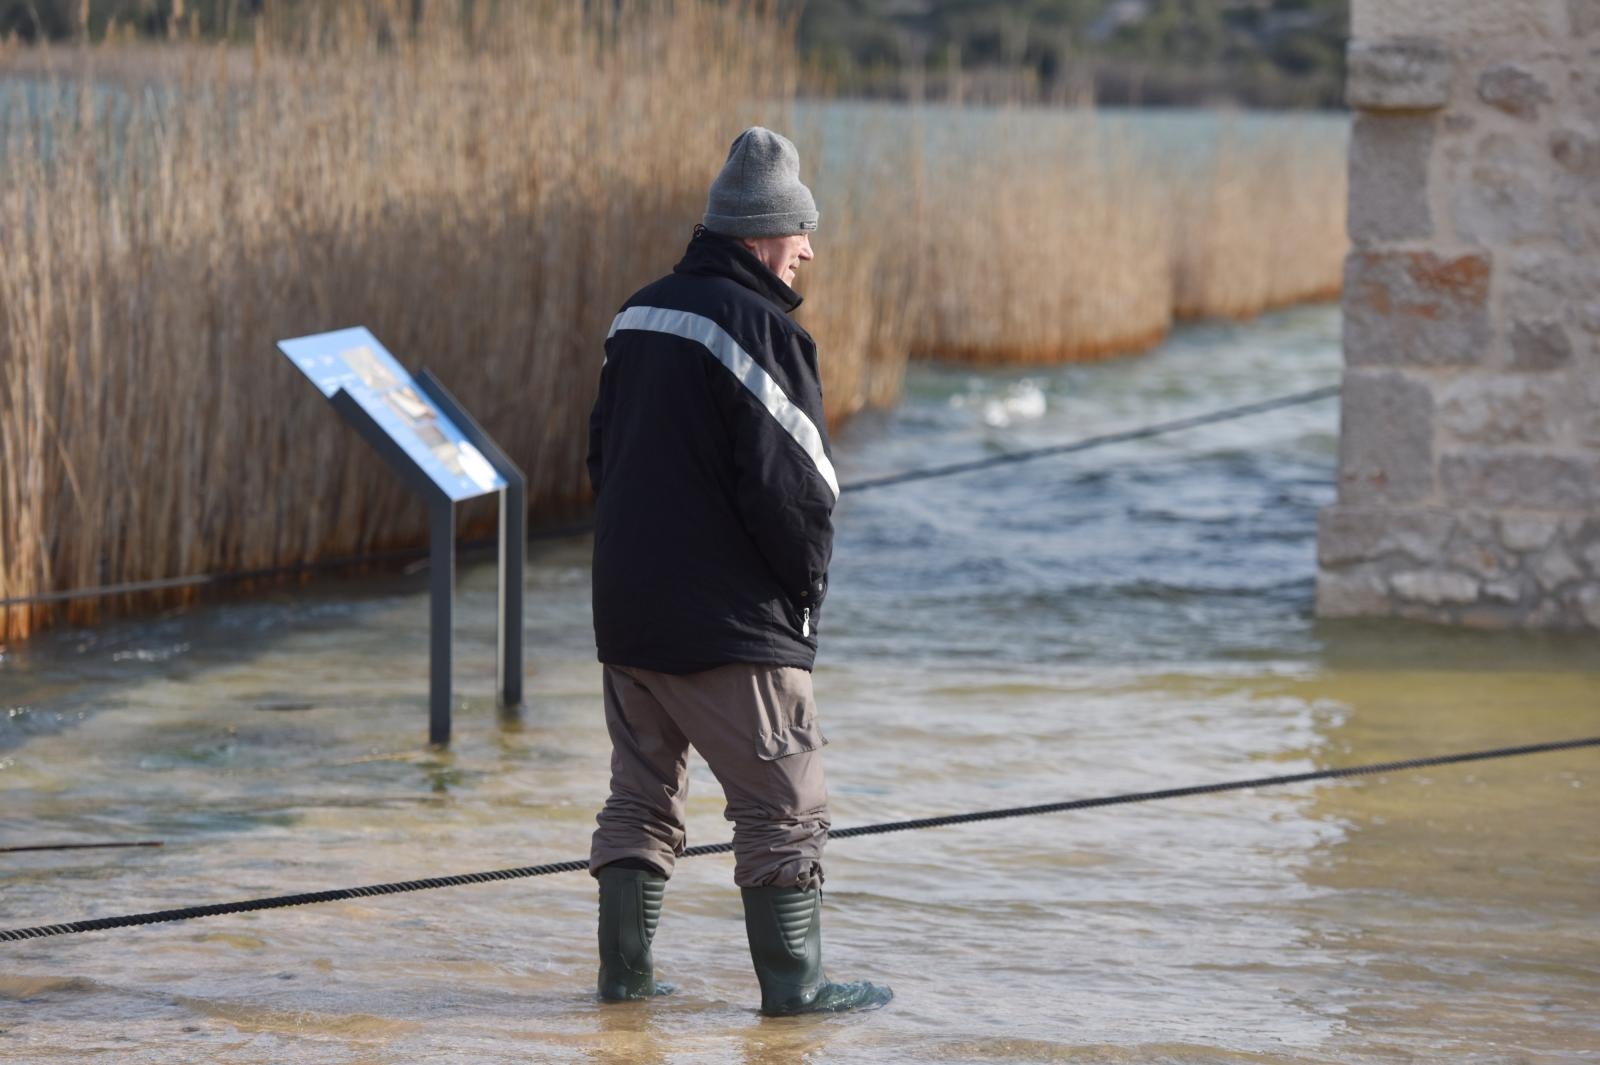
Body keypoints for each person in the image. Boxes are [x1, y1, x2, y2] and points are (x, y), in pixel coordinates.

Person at [584, 127, 891, 1016]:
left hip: (629, 616)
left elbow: (601, 457)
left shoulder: (636, 313)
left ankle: (625, 982)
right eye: (800, 232)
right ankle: (797, 995)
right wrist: (801, 607)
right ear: (763, 232)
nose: (808, 251)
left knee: (639, 798)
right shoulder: (759, 326)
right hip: (728, 625)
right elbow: (800, 490)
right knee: (785, 802)